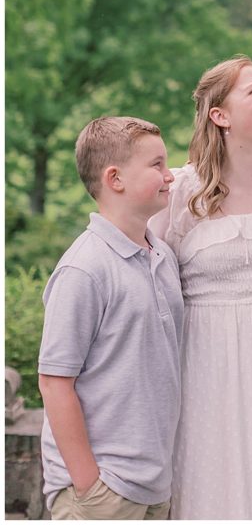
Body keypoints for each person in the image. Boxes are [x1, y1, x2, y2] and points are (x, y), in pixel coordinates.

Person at [149, 56, 252, 520]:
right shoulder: (181, 191)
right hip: (205, 368)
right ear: (219, 114)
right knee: (209, 485)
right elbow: (142, 278)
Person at [38, 116, 183, 520]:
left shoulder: (163, 256)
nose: (169, 175)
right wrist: (89, 485)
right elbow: (53, 382)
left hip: (156, 485)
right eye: (156, 165)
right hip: (103, 493)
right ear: (115, 178)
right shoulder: (84, 269)